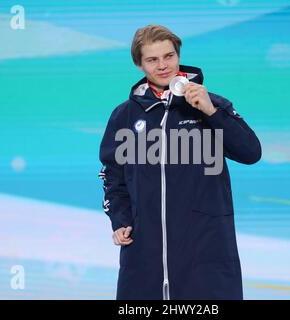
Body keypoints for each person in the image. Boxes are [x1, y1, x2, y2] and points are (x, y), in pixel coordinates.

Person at [98, 24, 261, 300]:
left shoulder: (211, 105)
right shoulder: (124, 115)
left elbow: (250, 153)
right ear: (139, 65)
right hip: (144, 254)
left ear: (178, 55)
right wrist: (121, 219)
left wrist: (211, 112)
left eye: (169, 56)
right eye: (152, 59)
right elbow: (112, 174)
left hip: (206, 249)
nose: (163, 66)